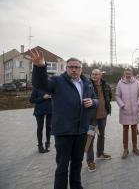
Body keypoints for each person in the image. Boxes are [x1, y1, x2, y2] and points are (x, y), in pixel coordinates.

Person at [28, 49, 97, 189]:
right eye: (70, 67)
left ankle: (76, 186)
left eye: (76, 67)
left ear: (81, 69)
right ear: (66, 69)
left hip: (81, 131)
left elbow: (96, 99)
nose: (73, 70)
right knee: (62, 166)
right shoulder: (57, 81)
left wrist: (93, 102)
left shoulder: (86, 83)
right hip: (64, 132)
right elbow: (40, 84)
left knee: (77, 163)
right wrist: (40, 67)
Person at [86, 69, 112, 172]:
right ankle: (90, 161)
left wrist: (106, 107)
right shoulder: (87, 85)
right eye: (92, 74)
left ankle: (100, 153)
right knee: (90, 138)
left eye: (97, 74)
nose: (94, 76)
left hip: (103, 116)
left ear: (101, 75)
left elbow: (109, 96)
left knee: (101, 135)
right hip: (91, 118)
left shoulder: (105, 85)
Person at [115, 68, 139, 159]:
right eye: (126, 73)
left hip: (135, 110)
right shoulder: (120, 83)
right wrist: (122, 105)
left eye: (129, 73)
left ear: (132, 74)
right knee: (125, 129)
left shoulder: (137, 83)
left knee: (134, 129)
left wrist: (138, 104)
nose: (128, 75)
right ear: (124, 74)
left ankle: (135, 148)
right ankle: (125, 149)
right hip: (125, 110)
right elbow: (117, 96)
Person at [30, 87, 52, 153]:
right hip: (39, 111)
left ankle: (48, 144)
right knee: (40, 127)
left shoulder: (50, 87)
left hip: (50, 110)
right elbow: (31, 100)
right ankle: (40, 145)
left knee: (49, 127)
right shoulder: (36, 88)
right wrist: (43, 98)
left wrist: (53, 96)